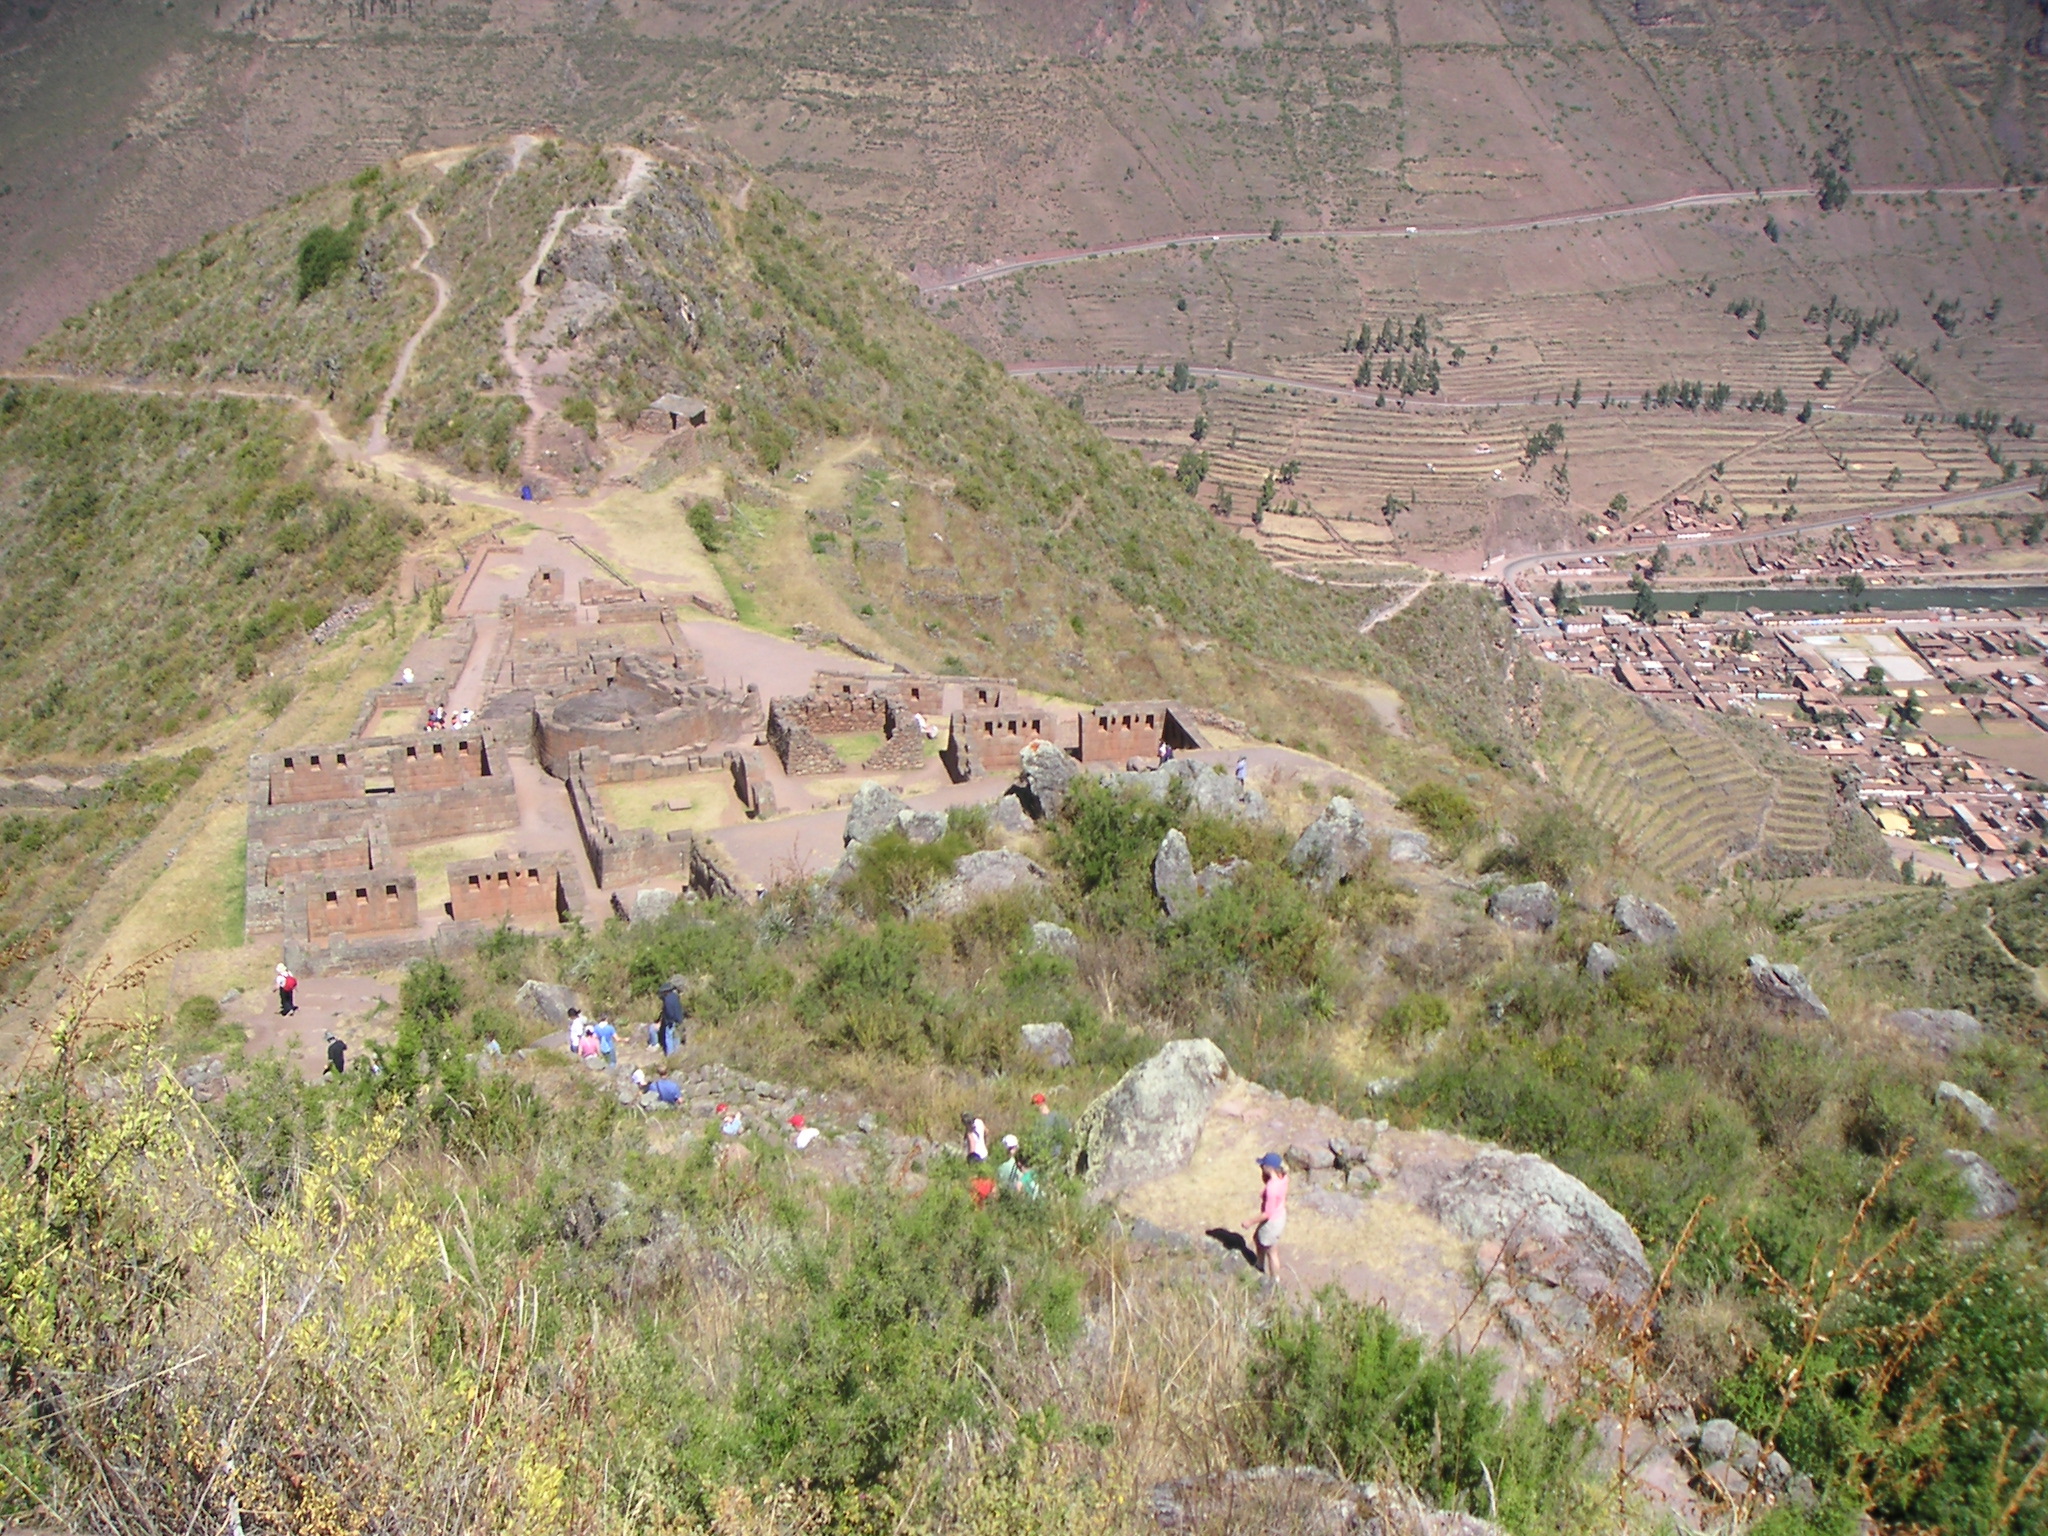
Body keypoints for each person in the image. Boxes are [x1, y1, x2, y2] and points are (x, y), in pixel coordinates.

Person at [1243, 1152, 1289, 1283]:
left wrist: (1249, 1222)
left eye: (1263, 1166)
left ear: (1268, 1168)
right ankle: (1259, 1265)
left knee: (1272, 1252)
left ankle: (1275, 1280)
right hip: (1280, 1216)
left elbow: (1267, 1214)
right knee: (1257, 1238)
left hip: (1271, 1222)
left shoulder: (1272, 1188)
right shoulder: (1283, 1178)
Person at [657, 980, 685, 1056]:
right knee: (676, 1037)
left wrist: (669, 1020)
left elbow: (669, 1012)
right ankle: (677, 1054)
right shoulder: (676, 997)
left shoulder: (667, 1000)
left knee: (669, 1037)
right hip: (679, 1020)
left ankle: (670, 1054)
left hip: (671, 1021)